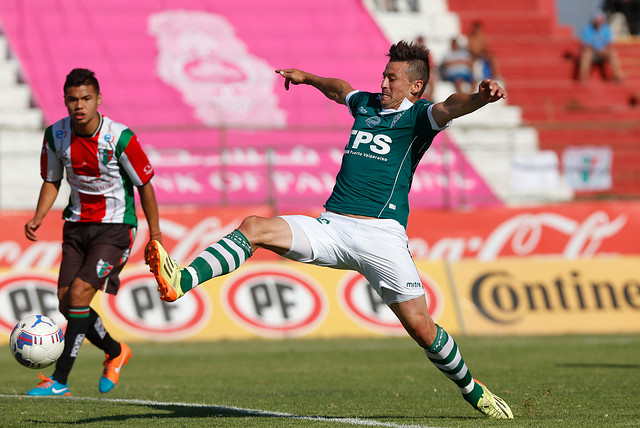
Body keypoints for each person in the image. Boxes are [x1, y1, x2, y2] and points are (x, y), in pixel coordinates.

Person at [146, 41, 513, 419]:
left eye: (392, 78)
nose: (383, 83)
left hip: (380, 237)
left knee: (422, 329)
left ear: (415, 86)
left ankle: (473, 391)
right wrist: (306, 78)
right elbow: (340, 89)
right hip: (332, 226)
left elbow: (453, 104)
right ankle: (181, 280)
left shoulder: (421, 116)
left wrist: (481, 98)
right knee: (254, 227)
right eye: (384, 75)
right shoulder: (367, 104)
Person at [24, 68, 162, 396]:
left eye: (86, 98)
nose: (79, 106)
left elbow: (145, 185)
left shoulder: (120, 138)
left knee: (79, 296)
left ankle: (60, 380)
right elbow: (52, 180)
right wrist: (39, 216)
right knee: (65, 303)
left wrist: (155, 234)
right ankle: (115, 352)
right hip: (76, 226)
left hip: (115, 229)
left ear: (98, 99)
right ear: (65, 101)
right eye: (72, 100)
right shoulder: (55, 135)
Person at [578, 11, 624, 81]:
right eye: (597, 19)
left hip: (603, 52)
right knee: (587, 54)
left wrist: (604, 50)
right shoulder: (587, 29)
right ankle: (583, 77)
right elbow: (586, 45)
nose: (599, 21)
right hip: (593, 53)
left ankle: (618, 76)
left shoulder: (606, 28)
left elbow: (610, 44)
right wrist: (598, 50)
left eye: (600, 19)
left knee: (613, 53)